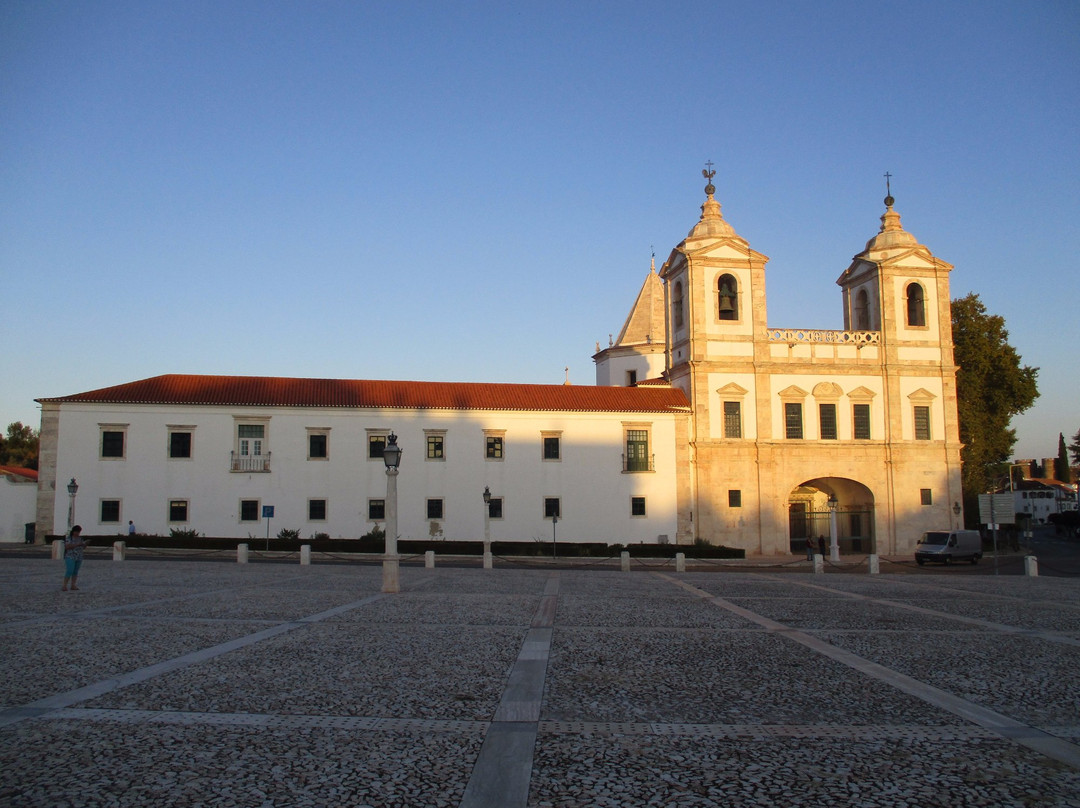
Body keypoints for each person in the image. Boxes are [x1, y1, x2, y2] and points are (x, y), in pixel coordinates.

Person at [62, 525, 86, 592]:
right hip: (70, 556)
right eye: (77, 532)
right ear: (73, 531)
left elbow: (83, 548)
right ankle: (64, 585)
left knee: (75, 571)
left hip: (79, 556)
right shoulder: (69, 538)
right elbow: (67, 547)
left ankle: (73, 585)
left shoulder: (80, 538)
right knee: (70, 570)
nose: (78, 533)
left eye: (79, 532)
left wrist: (84, 544)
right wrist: (77, 544)